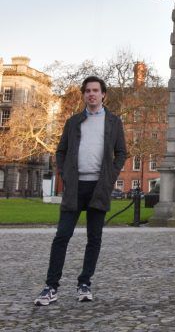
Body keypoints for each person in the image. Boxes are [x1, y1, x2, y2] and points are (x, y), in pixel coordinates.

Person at [34, 76, 127, 306]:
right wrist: (66, 175)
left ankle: (84, 283)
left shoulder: (114, 122)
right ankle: (51, 286)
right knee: (62, 236)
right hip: (76, 187)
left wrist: (109, 178)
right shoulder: (73, 122)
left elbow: (122, 153)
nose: (91, 94)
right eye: (87, 91)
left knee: (94, 238)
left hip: (99, 187)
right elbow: (61, 151)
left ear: (103, 94)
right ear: (84, 95)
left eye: (95, 90)